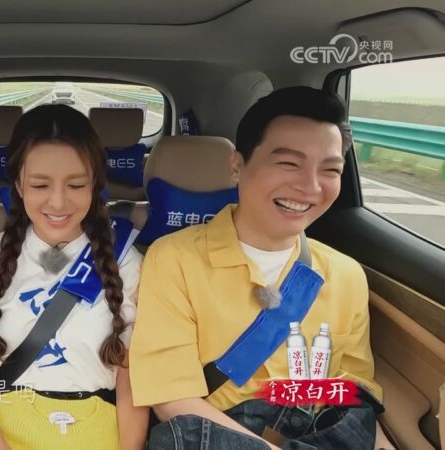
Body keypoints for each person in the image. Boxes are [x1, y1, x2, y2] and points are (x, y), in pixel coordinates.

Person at [129, 86, 393, 450]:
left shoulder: (346, 275)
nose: (310, 187)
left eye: (330, 169)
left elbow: (350, 396)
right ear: (237, 166)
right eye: (288, 164)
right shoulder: (174, 259)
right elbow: (171, 399)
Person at [0, 104, 149, 450]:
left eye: (76, 185)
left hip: (97, 430)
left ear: (95, 185)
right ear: (19, 185)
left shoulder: (126, 261)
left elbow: (132, 387)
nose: (58, 202)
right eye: (40, 185)